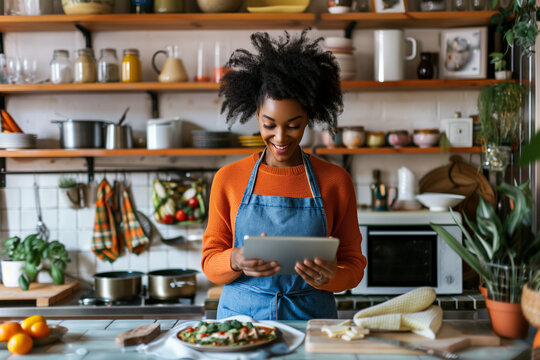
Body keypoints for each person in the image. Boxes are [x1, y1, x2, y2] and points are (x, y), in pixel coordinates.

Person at [202, 30, 367, 320]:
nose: (280, 137)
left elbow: (353, 267)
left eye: (293, 125)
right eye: (269, 124)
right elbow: (209, 264)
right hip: (241, 324)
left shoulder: (335, 181)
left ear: (309, 117)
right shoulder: (228, 179)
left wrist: (330, 278)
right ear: (256, 115)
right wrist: (236, 259)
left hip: (311, 322)